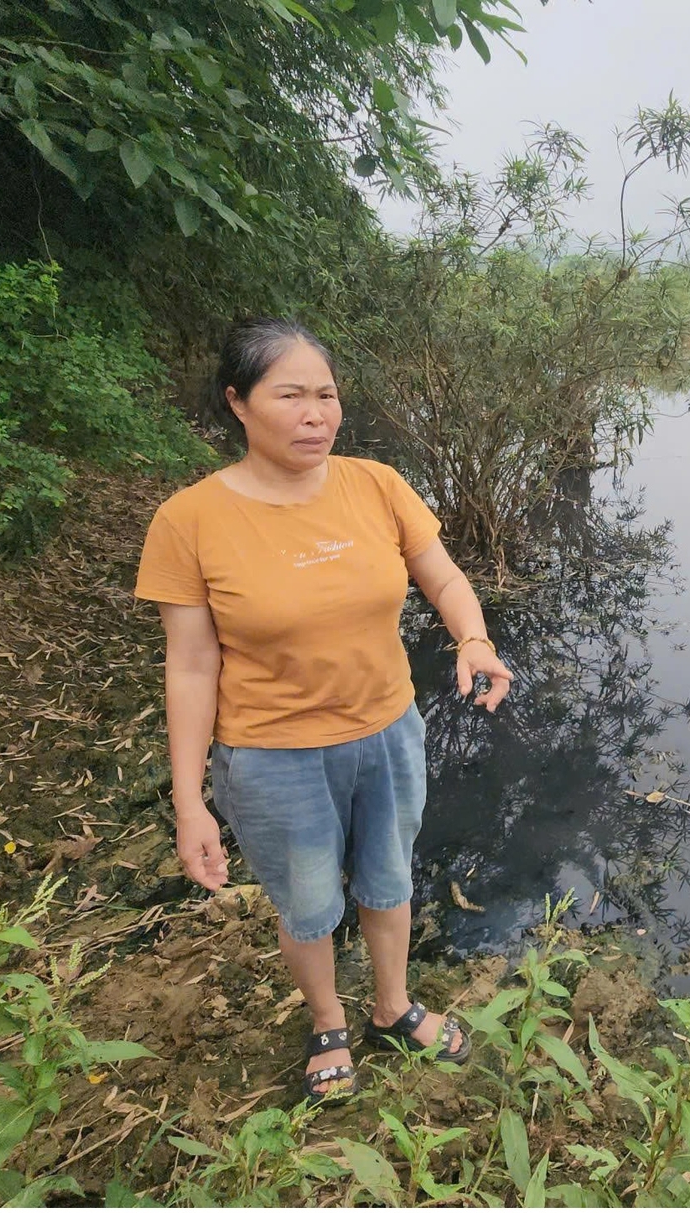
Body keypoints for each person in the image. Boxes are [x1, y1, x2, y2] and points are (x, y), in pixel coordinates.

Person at [134, 317, 513, 1103]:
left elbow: (441, 577)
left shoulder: (375, 484)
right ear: (238, 403)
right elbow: (193, 665)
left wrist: (471, 637)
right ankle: (327, 1019)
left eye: (327, 395)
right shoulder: (189, 520)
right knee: (308, 906)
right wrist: (188, 800)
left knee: (389, 879)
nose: (317, 413)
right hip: (272, 755)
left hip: (388, 732)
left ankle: (393, 1005)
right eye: (291, 395)